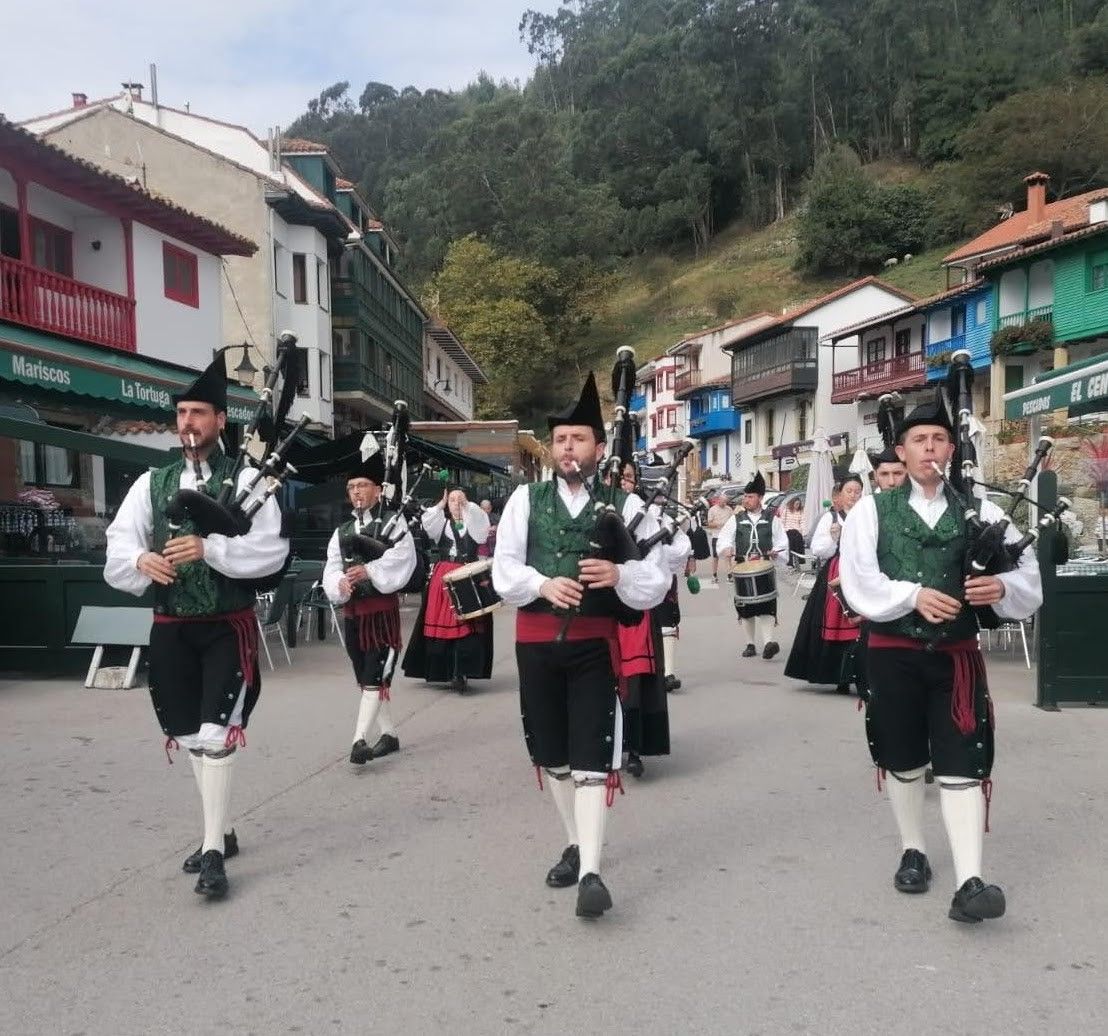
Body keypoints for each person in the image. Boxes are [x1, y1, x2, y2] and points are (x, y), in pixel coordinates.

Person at [839, 397, 1042, 924]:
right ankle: (914, 850)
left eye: (938, 439)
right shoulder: (871, 510)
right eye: (918, 440)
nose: (929, 448)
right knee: (903, 759)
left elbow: (1027, 577)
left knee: (962, 762)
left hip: (956, 657)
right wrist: (912, 596)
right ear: (901, 451)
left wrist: (1000, 585)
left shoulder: (983, 510)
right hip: (892, 654)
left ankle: (971, 881)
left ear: (952, 449)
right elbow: (860, 581)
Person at [104, 356, 289, 899]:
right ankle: (222, 829)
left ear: (220, 420)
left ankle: (212, 851)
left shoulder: (249, 479)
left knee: (215, 732)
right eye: (182, 412)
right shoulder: (152, 482)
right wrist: (141, 562)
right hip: (171, 626)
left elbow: (269, 551)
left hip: (226, 627)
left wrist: (210, 548)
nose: (188, 422)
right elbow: (120, 542)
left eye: (199, 413)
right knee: (189, 733)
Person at [492, 372, 669, 919]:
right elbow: (504, 570)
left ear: (598, 447)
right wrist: (542, 584)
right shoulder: (526, 498)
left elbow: (656, 579)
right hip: (536, 643)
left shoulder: (627, 504)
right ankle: (574, 841)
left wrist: (619, 576)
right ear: (553, 448)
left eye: (580, 439)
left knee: (592, 758)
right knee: (554, 756)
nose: (570, 448)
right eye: (562, 439)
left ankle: (591, 869)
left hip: (595, 645)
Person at [323, 444, 417, 766]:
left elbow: (403, 558)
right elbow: (332, 566)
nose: (356, 491)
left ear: (378, 489)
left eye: (362, 485)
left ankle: (358, 740)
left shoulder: (394, 522)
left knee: (375, 675)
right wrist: (340, 583)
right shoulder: (342, 531)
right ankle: (389, 734)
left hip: (381, 617)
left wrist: (369, 570)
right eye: (351, 487)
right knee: (366, 678)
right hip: (353, 616)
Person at [402, 486, 492, 694]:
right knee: (443, 625)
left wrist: (467, 505)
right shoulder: (441, 523)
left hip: (468, 574)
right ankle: (445, 670)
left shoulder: (474, 523)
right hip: (444, 577)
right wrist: (440, 505)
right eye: (452, 500)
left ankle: (462, 671)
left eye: (460, 499)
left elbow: (481, 527)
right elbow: (428, 521)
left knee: (468, 625)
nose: (456, 503)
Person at [784, 475, 864, 693]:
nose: (854, 496)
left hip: (862, 571)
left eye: (858, 491)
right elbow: (819, 550)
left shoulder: (867, 516)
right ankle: (840, 676)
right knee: (838, 621)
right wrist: (832, 538)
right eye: (849, 491)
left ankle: (861, 674)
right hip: (837, 570)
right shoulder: (831, 518)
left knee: (862, 624)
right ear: (840, 495)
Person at [718, 472, 788, 659]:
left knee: (766, 604)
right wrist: (726, 549)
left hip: (764, 568)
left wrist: (777, 551)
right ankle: (750, 644)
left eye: (750, 496)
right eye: (745, 496)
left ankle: (768, 644)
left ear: (760, 498)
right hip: (743, 568)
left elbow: (782, 542)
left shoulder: (772, 519)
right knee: (746, 607)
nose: (746, 500)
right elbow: (724, 538)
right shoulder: (737, 519)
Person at [704, 494, 734, 582]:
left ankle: (729, 575)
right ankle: (714, 575)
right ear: (719, 500)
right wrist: (719, 524)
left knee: (728, 556)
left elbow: (732, 520)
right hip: (716, 536)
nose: (724, 503)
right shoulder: (712, 510)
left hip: (727, 536)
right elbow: (709, 523)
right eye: (723, 502)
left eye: (725, 502)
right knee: (715, 557)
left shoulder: (729, 509)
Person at [782, 496, 806, 566]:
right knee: (791, 540)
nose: (797, 506)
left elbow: (802, 522)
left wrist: (802, 531)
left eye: (798, 504)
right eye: (796, 504)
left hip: (797, 530)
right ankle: (790, 561)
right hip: (788, 530)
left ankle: (799, 560)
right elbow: (782, 521)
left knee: (798, 539)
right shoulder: (787, 510)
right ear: (792, 504)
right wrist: (783, 530)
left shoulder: (801, 511)